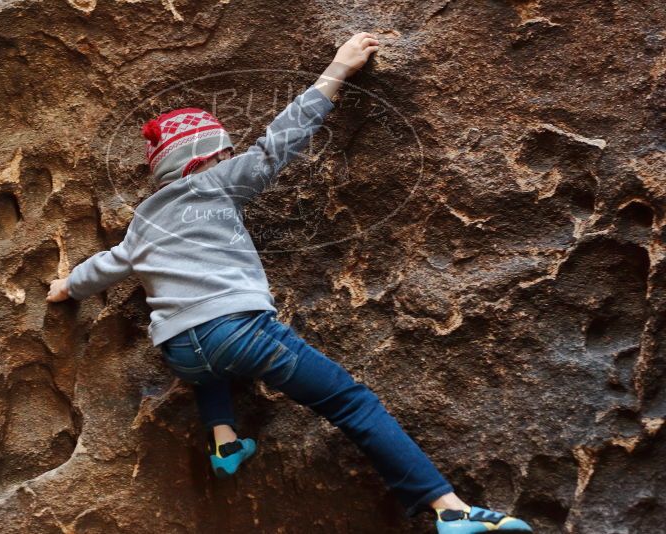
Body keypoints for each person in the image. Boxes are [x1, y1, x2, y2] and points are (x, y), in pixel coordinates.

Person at [46, 32, 534, 533]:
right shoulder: (218, 181)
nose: (232, 155)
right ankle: (448, 509)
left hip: (179, 347)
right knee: (352, 403)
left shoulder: (145, 220)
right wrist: (337, 70)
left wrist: (65, 288)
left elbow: (109, 264)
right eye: (224, 150)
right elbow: (280, 139)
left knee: (205, 362)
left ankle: (224, 440)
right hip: (239, 331)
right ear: (205, 159)